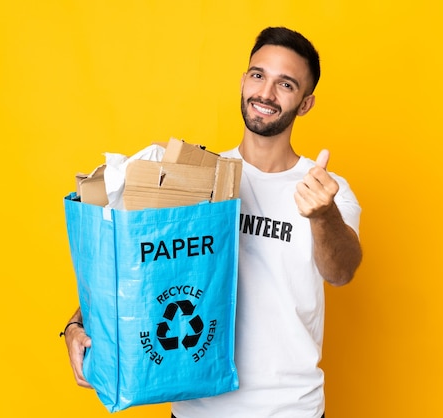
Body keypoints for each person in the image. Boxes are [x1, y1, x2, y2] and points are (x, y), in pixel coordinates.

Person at [63, 26, 362, 418]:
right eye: (258, 76)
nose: (266, 94)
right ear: (243, 82)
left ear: (305, 103)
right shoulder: (195, 178)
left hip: (292, 408)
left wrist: (322, 215)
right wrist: (74, 324)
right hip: (198, 408)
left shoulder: (327, 190)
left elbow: (341, 271)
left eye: (285, 84)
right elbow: (134, 262)